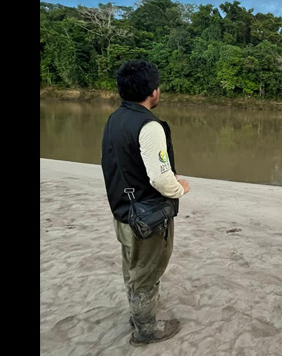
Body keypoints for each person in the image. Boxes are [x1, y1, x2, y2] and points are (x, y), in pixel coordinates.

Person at [101, 59, 191, 346]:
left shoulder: (115, 118)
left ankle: (136, 315)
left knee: (132, 265)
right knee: (147, 273)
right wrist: (180, 188)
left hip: (124, 211)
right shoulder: (149, 126)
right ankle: (145, 330)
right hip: (148, 217)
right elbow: (161, 179)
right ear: (153, 91)